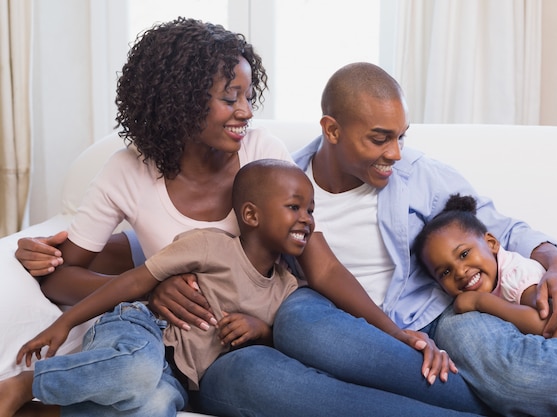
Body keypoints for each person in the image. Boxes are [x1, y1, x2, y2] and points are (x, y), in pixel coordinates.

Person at [9, 18, 495, 417]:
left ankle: (492, 404)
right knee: (159, 397)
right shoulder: (127, 171)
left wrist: (394, 333)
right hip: (208, 356)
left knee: (308, 330)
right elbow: (63, 273)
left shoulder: (263, 154)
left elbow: (318, 264)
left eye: (247, 95)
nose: (245, 111)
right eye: (229, 97)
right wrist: (148, 288)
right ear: (179, 101)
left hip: (269, 320)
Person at [2, 159, 311, 416]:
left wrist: (260, 330)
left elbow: (280, 344)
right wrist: (66, 323)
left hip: (181, 375)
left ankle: (40, 412)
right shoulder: (208, 245)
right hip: (144, 326)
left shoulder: (287, 288)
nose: (306, 220)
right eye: (294, 207)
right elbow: (136, 280)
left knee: (156, 407)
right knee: (137, 369)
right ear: (251, 215)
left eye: (310, 210)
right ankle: (27, 383)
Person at [414, 193, 557, 350]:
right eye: (445, 273)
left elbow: (543, 323)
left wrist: (480, 302)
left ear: (491, 243)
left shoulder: (515, 274)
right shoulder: (491, 286)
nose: (459, 272)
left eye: (464, 254)